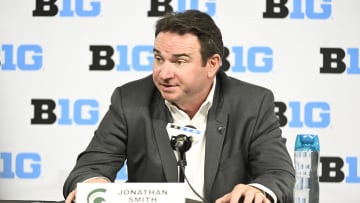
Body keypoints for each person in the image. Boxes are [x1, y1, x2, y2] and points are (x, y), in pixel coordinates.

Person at [63, 9, 295, 203]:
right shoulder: (130, 100)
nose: (164, 73)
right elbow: (89, 168)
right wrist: (93, 184)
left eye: (179, 61)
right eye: (159, 58)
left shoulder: (252, 103)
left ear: (212, 64)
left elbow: (278, 173)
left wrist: (259, 190)